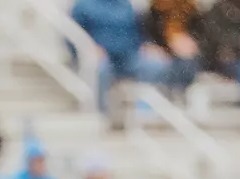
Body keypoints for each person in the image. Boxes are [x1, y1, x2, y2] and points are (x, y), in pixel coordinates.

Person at [71, 0, 199, 111]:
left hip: (128, 57)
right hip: (102, 58)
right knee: (101, 69)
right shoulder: (83, 5)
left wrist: (148, 45)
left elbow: (139, 32)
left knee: (156, 66)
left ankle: (150, 111)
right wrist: (88, 48)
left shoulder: (126, 5)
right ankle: (102, 115)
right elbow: (73, 36)